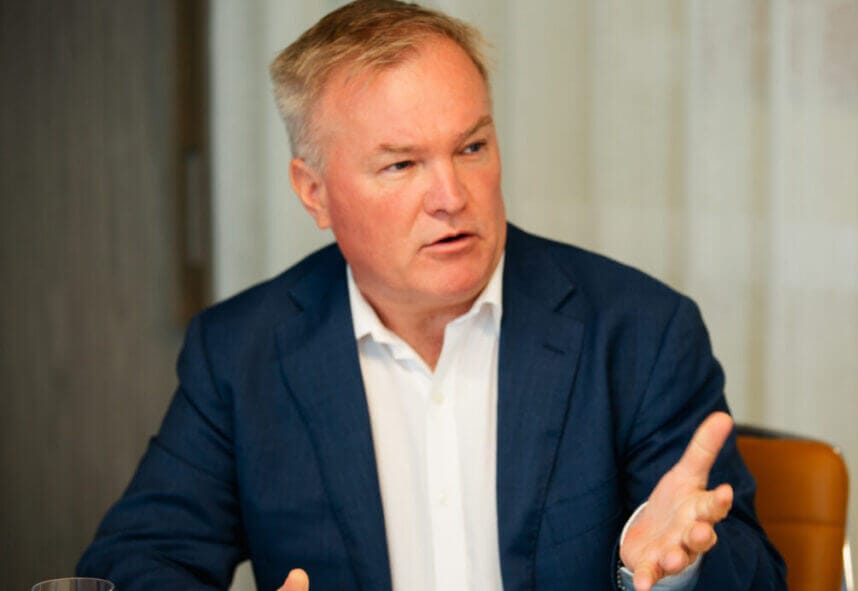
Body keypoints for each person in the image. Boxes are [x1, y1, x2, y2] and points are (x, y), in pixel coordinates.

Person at [78, 1, 785, 590]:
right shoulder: (242, 353)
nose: (451, 196)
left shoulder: (639, 331)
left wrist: (672, 572)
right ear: (314, 191)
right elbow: (134, 562)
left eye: (471, 148)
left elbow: (754, 576)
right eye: (401, 164)